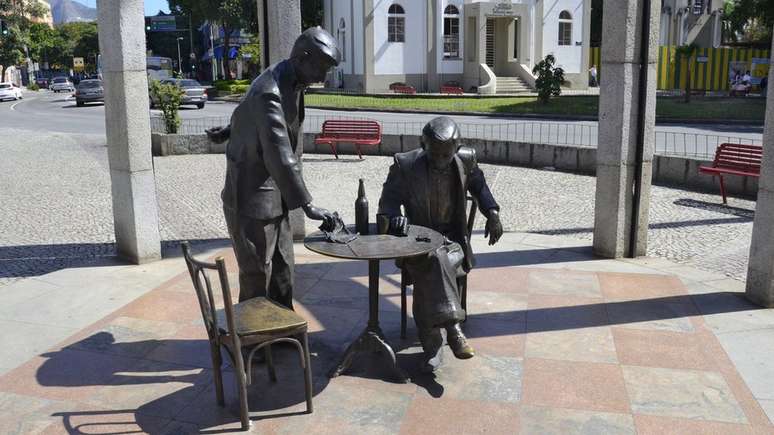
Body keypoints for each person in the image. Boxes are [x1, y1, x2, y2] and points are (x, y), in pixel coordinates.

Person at [205, 27, 341, 308]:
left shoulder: (289, 80)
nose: (323, 77)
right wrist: (308, 205)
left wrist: (231, 130)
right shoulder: (269, 90)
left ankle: (281, 331)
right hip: (251, 197)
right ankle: (253, 341)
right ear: (303, 58)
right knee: (257, 274)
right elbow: (279, 152)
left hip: (275, 194)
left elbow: (252, 114)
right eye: (322, 68)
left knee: (283, 269)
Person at [378, 116, 503, 372]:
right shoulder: (405, 165)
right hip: (416, 243)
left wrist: (492, 213)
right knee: (433, 259)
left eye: (447, 155)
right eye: (435, 154)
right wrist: (395, 219)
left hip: (453, 243)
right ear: (423, 146)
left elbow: (480, 188)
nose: (441, 161)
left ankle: (433, 344)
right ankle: (453, 329)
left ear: (456, 149)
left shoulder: (466, 160)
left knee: (436, 262)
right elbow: (386, 205)